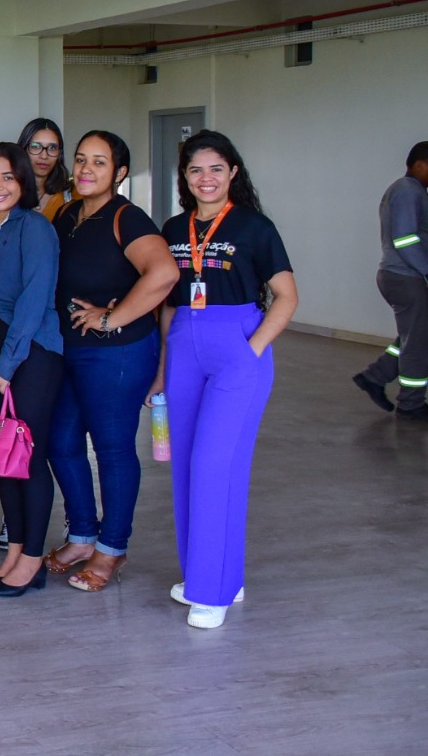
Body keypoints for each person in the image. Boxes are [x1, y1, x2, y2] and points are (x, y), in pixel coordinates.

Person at [154, 131, 297, 628]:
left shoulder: (255, 227)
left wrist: (250, 351)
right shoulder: (173, 228)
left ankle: (212, 591)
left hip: (236, 345)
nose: (206, 178)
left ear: (233, 172)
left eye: (216, 168)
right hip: (184, 347)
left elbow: (287, 297)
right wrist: (163, 368)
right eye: (196, 170)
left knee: (216, 464)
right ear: (184, 177)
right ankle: (210, 575)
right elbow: (168, 302)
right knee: (186, 467)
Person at [46, 131, 179, 592]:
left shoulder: (127, 217)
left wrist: (110, 317)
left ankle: (112, 547)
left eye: (99, 162)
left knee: (113, 448)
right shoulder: (67, 214)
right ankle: (83, 535)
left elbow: (164, 273)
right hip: (70, 348)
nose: (86, 169)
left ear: (120, 172)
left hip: (118, 353)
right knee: (61, 441)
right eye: (81, 159)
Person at [0, 144, 64, 597]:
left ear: (23, 180)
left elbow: (33, 302)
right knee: (3, 458)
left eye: (8, 177)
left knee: (28, 456)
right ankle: (16, 551)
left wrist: (6, 366)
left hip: (32, 354)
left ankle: (32, 559)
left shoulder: (36, 228)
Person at [353, 142, 428, 420]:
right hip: (405, 277)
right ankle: (411, 404)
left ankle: (375, 376)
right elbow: (405, 239)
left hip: (401, 275)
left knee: (415, 335)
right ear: (420, 164)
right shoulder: (408, 191)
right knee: (418, 343)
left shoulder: (408, 190)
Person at [17, 118, 77, 223]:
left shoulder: (70, 196)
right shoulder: (6, 193)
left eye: (52, 148)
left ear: (59, 153)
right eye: (35, 146)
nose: (44, 156)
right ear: (23, 149)